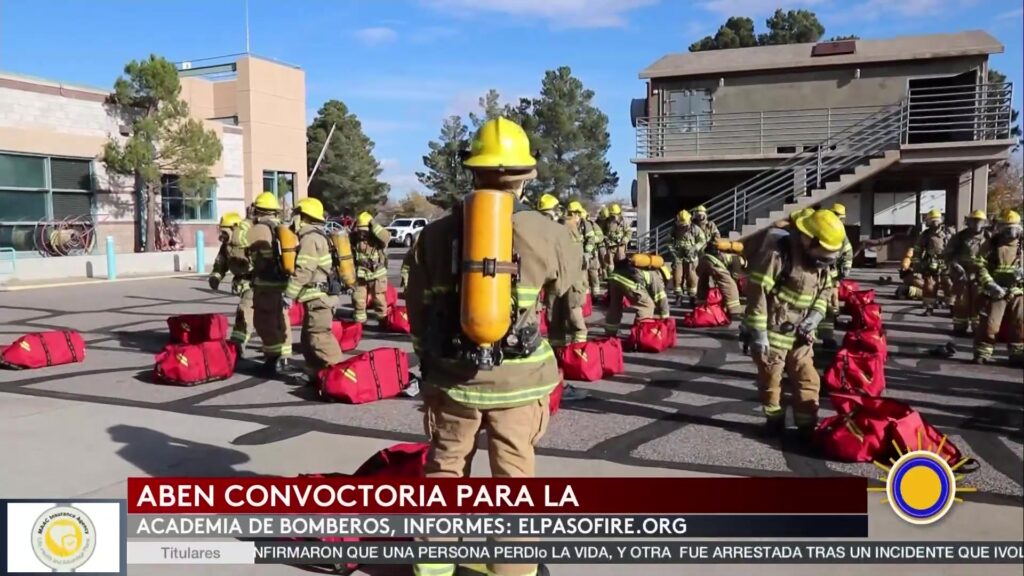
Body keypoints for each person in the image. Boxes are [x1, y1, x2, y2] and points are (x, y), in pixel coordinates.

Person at [406, 117, 576, 576]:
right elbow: (570, 305)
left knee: (444, 474)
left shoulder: (433, 236)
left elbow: (417, 312)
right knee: (514, 484)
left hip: (452, 380)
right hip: (521, 386)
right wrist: (560, 353)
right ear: (525, 175)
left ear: (472, 170)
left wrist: (429, 367)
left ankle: (433, 569)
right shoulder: (553, 234)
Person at [742, 209, 844, 440]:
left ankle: (806, 427)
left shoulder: (821, 261)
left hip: (801, 333)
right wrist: (758, 334)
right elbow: (757, 293)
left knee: (808, 378)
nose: (826, 261)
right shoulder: (778, 255)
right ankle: (774, 420)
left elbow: (825, 291)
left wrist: (814, 319)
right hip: (773, 331)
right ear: (810, 240)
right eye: (824, 254)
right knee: (771, 381)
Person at [283, 198, 344, 382]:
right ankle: (314, 374)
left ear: (303, 216)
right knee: (308, 340)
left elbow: (304, 270)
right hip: (316, 297)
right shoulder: (315, 236)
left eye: (296, 215)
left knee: (319, 337)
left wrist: (289, 294)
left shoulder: (310, 239)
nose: (293, 219)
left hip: (319, 298)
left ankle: (342, 375)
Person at [235, 192, 292, 375]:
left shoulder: (259, 228)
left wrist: (244, 223)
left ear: (257, 210)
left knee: (264, 322)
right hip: (282, 282)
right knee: (280, 321)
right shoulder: (283, 227)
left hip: (266, 283)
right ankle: (283, 357)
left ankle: (272, 360)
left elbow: (239, 243)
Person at [973, 209, 1023, 366]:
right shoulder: (991, 244)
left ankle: (1017, 354)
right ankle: (982, 352)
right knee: (990, 324)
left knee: (1020, 324)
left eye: (1014, 228)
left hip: (1018, 291)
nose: (1011, 232)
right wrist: (989, 283)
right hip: (996, 291)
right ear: (1000, 228)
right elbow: (979, 265)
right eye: (1007, 228)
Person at [208, 212, 253, 354]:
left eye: (224, 229)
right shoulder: (226, 246)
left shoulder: (248, 242)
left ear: (234, 228)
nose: (222, 234)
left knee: (244, 311)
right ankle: (237, 344)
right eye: (221, 230)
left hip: (254, 283)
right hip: (243, 284)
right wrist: (215, 277)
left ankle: (238, 343)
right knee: (247, 313)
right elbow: (220, 263)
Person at [550, 201, 590, 349]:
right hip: (573, 281)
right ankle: (578, 354)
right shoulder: (572, 227)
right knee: (576, 319)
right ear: (576, 214)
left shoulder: (555, 227)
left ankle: (557, 353)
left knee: (555, 320)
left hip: (555, 280)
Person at [945, 210, 989, 335]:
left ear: (984, 222)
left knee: (979, 300)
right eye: (973, 221)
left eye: (979, 221)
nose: (976, 224)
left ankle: (978, 328)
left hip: (981, 274)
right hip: (961, 274)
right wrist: (955, 265)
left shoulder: (989, 237)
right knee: (961, 300)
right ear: (968, 222)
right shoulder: (959, 237)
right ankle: (960, 326)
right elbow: (948, 254)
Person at [604, 257, 671, 336]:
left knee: (615, 306)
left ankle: (610, 332)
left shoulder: (648, 269)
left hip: (614, 277)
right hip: (628, 280)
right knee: (647, 306)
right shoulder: (657, 278)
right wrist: (665, 318)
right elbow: (661, 299)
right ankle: (640, 335)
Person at [818, 203, 853, 348]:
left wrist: (844, 270)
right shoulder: (820, 228)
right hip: (817, 272)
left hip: (829, 274)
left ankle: (826, 336)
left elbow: (847, 252)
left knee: (829, 304)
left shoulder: (840, 233)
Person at [351, 211, 391, 325]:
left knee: (379, 298)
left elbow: (386, 237)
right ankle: (359, 322)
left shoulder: (378, 238)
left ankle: (383, 320)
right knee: (358, 298)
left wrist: (373, 223)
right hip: (360, 273)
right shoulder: (354, 238)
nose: (362, 233)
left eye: (365, 230)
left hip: (377, 273)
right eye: (360, 230)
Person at [912, 209, 949, 316]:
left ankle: (952, 306)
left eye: (936, 220)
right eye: (932, 221)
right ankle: (929, 308)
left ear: (941, 220)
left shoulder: (948, 233)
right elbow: (918, 250)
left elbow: (956, 248)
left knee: (949, 285)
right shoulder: (925, 235)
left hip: (946, 264)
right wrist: (917, 267)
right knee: (930, 286)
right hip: (930, 263)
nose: (934, 223)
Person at [696, 240, 744, 318]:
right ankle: (734, 310)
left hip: (703, 260)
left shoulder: (730, 253)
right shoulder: (738, 259)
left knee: (702, 283)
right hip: (713, 261)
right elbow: (735, 276)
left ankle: (700, 304)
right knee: (729, 284)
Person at [671, 210, 708, 306]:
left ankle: (692, 297)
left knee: (692, 277)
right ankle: (678, 297)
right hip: (678, 255)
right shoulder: (674, 229)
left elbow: (702, 240)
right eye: (681, 224)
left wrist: (695, 248)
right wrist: (673, 251)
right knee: (677, 276)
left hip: (691, 256)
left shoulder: (695, 229)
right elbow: (668, 241)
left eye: (684, 225)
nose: (683, 227)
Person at [605, 203, 629, 270]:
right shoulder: (608, 221)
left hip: (620, 246)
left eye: (615, 214)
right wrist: (606, 239)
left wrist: (625, 239)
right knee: (610, 265)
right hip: (610, 246)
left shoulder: (624, 222)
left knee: (621, 262)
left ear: (619, 213)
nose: (614, 216)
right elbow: (604, 232)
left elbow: (629, 232)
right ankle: (611, 278)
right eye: (612, 214)